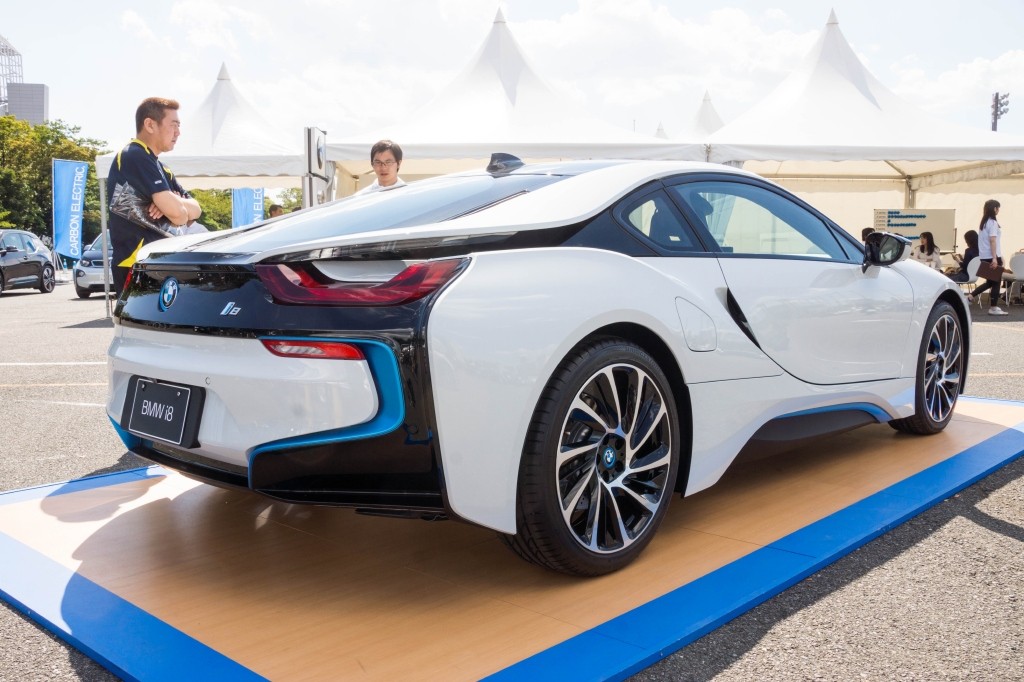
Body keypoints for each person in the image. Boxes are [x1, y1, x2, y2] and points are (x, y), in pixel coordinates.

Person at [107, 97, 201, 288]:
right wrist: (172, 207)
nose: (178, 132)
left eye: (179, 126)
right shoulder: (134, 154)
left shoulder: (161, 166)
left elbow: (196, 210)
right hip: (136, 262)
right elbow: (180, 215)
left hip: (155, 260)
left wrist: (168, 202)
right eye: (173, 125)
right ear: (150, 124)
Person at [970, 199, 1008, 315]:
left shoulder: (984, 223)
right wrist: (995, 258)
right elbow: (992, 240)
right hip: (992, 256)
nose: (998, 210)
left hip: (984, 255)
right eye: (998, 208)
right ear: (994, 209)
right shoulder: (992, 223)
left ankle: (970, 296)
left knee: (990, 282)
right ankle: (993, 308)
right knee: (996, 282)